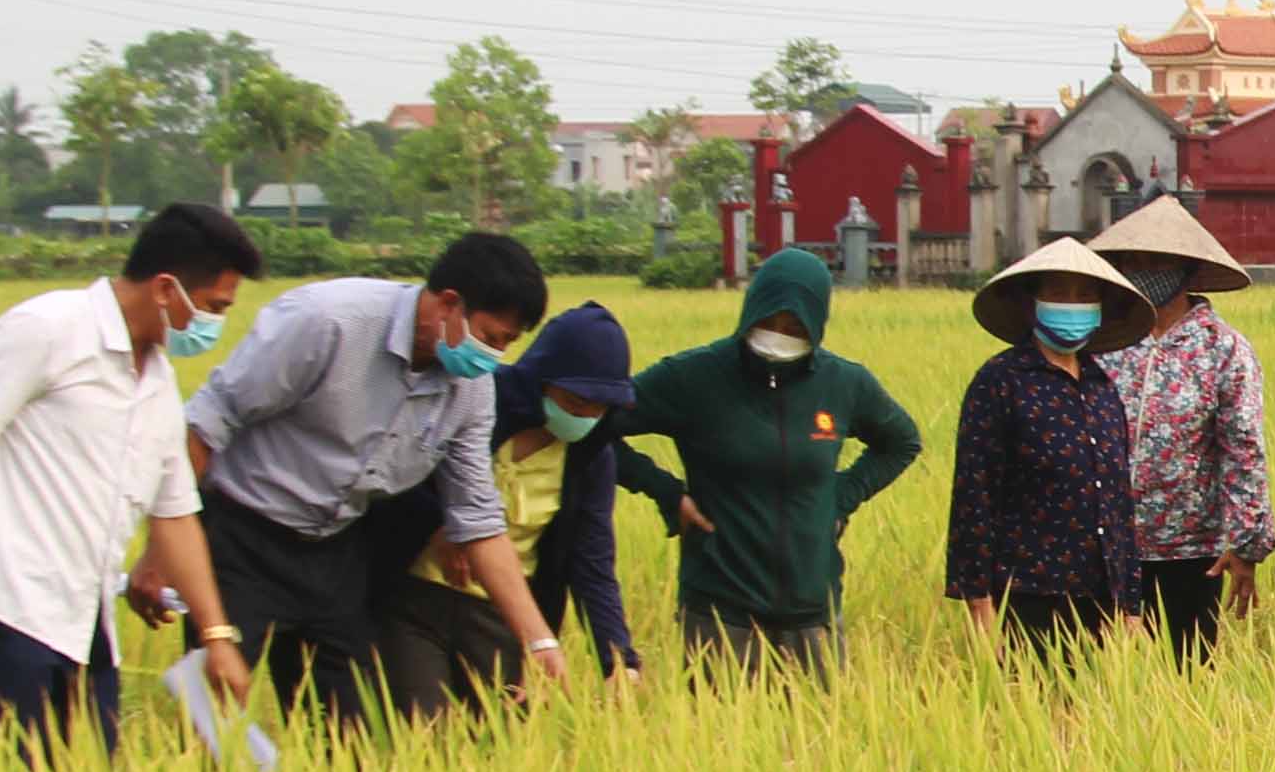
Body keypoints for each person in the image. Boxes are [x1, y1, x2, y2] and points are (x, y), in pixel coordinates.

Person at [0, 200, 263, 758]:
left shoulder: (155, 381)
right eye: (213, 307)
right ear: (164, 288)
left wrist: (217, 635)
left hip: (85, 615)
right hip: (3, 600)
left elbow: (175, 515)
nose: (214, 324)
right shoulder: (47, 330)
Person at [179, 232, 570, 721]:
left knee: (353, 728)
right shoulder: (328, 322)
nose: (492, 357)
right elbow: (207, 423)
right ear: (450, 303)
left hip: (337, 545)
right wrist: (164, 547)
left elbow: (478, 519)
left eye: (507, 345)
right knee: (210, 717)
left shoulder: (470, 391)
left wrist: (537, 640)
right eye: (490, 338)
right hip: (240, 538)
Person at [610, 246, 922, 675]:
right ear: (749, 310)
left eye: (794, 324)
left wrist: (841, 497)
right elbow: (595, 424)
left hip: (814, 613)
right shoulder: (693, 377)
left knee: (822, 737)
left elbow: (902, 442)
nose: (778, 333)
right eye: (768, 318)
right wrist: (665, 491)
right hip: (720, 615)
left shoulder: (843, 383)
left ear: (817, 323)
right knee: (717, 736)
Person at [366, 302, 644, 714]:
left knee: (495, 742)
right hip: (414, 597)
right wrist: (445, 523)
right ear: (540, 380)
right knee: (420, 735)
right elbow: (395, 477)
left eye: (598, 407)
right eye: (574, 400)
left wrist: (618, 658)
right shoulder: (476, 401)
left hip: (502, 613)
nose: (584, 415)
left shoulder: (590, 457)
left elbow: (592, 560)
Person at [944, 238, 1157, 656]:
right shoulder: (1001, 381)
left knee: (1097, 716)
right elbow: (974, 493)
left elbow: (1117, 501)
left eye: (1085, 296)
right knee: (1032, 714)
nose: (1073, 305)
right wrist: (979, 603)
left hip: (1102, 594)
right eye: (1058, 294)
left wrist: (1131, 605)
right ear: (1032, 303)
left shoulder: (1102, 387)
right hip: (1027, 592)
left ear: (1100, 308)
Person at [1089, 196, 1273, 663]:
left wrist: (1248, 543)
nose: (1141, 270)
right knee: (1100, 680)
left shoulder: (1223, 350)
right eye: (1132, 260)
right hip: (1099, 545)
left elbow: (1243, 450)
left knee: (1186, 678)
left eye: (1156, 262)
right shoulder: (1102, 343)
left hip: (1191, 553)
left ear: (1187, 270)